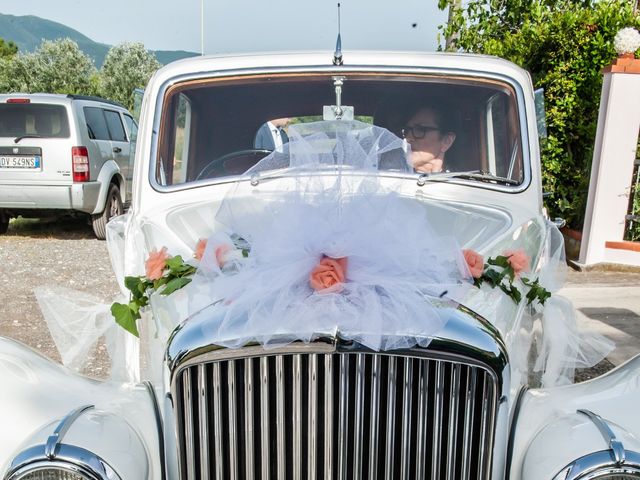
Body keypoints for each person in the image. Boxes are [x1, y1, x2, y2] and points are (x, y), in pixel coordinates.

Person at [402, 105, 456, 174]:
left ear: (447, 141)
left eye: (420, 130)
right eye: (407, 130)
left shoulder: (462, 182)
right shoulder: (389, 177)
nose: (408, 138)